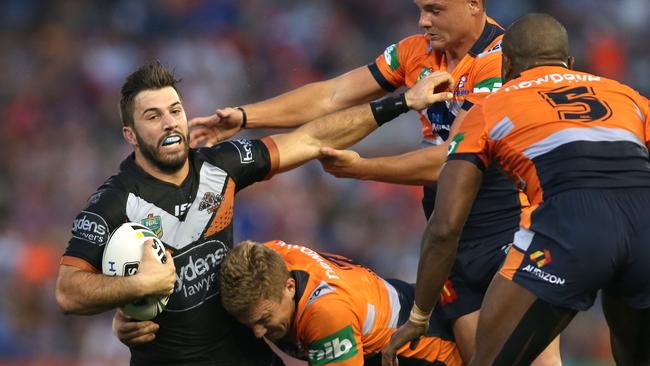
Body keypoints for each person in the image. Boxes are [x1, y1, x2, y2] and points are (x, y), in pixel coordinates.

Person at [188, 1, 560, 363]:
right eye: (419, 10)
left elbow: (452, 163)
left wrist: (362, 168)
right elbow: (332, 95)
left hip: (507, 226)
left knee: (536, 358)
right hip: (451, 239)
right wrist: (245, 115)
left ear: (474, 4)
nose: (422, 22)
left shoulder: (500, 62)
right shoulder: (417, 52)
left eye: (434, 10)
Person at [54, 60, 453, 365]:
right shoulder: (113, 202)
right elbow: (68, 291)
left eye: (174, 110)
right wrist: (137, 289)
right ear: (130, 135)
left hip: (245, 354)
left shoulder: (220, 165)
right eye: (152, 116)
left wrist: (400, 102)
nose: (169, 123)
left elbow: (310, 139)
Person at [383, 13, 650, 366]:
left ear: (506, 66)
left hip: (572, 225)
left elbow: (446, 225)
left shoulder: (489, 108)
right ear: (569, 63)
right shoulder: (628, 95)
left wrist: (419, 315)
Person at [219, 240, 464, 366]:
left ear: (289, 288)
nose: (258, 332)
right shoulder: (266, 261)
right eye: (248, 322)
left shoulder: (326, 315)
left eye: (264, 319)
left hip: (428, 354)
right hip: (390, 306)